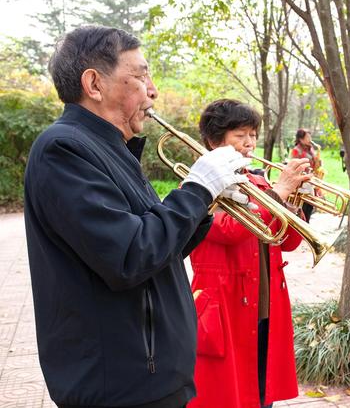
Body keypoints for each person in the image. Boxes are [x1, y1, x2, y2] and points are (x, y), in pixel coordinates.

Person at [23, 26, 250, 408]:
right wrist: (195, 191)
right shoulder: (63, 149)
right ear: (94, 84)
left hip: (151, 378)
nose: (153, 90)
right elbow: (130, 255)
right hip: (120, 387)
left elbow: (160, 248)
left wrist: (206, 202)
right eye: (142, 75)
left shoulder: (111, 148)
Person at [187, 99, 311, 408]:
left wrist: (296, 202)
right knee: (223, 395)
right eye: (240, 135)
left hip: (265, 304)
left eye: (253, 134)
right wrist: (278, 194)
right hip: (224, 306)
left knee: (261, 391)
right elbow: (229, 230)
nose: (249, 143)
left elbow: (288, 242)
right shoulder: (199, 185)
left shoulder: (258, 181)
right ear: (215, 140)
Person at [290, 128, 322, 222]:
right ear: (301, 139)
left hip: (310, 182)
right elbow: (294, 166)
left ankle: (306, 225)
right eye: (308, 137)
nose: (310, 139)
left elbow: (315, 163)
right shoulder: (296, 150)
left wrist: (318, 162)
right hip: (301, 184)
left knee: (309, 207)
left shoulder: (311, 149)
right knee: (302, 209)